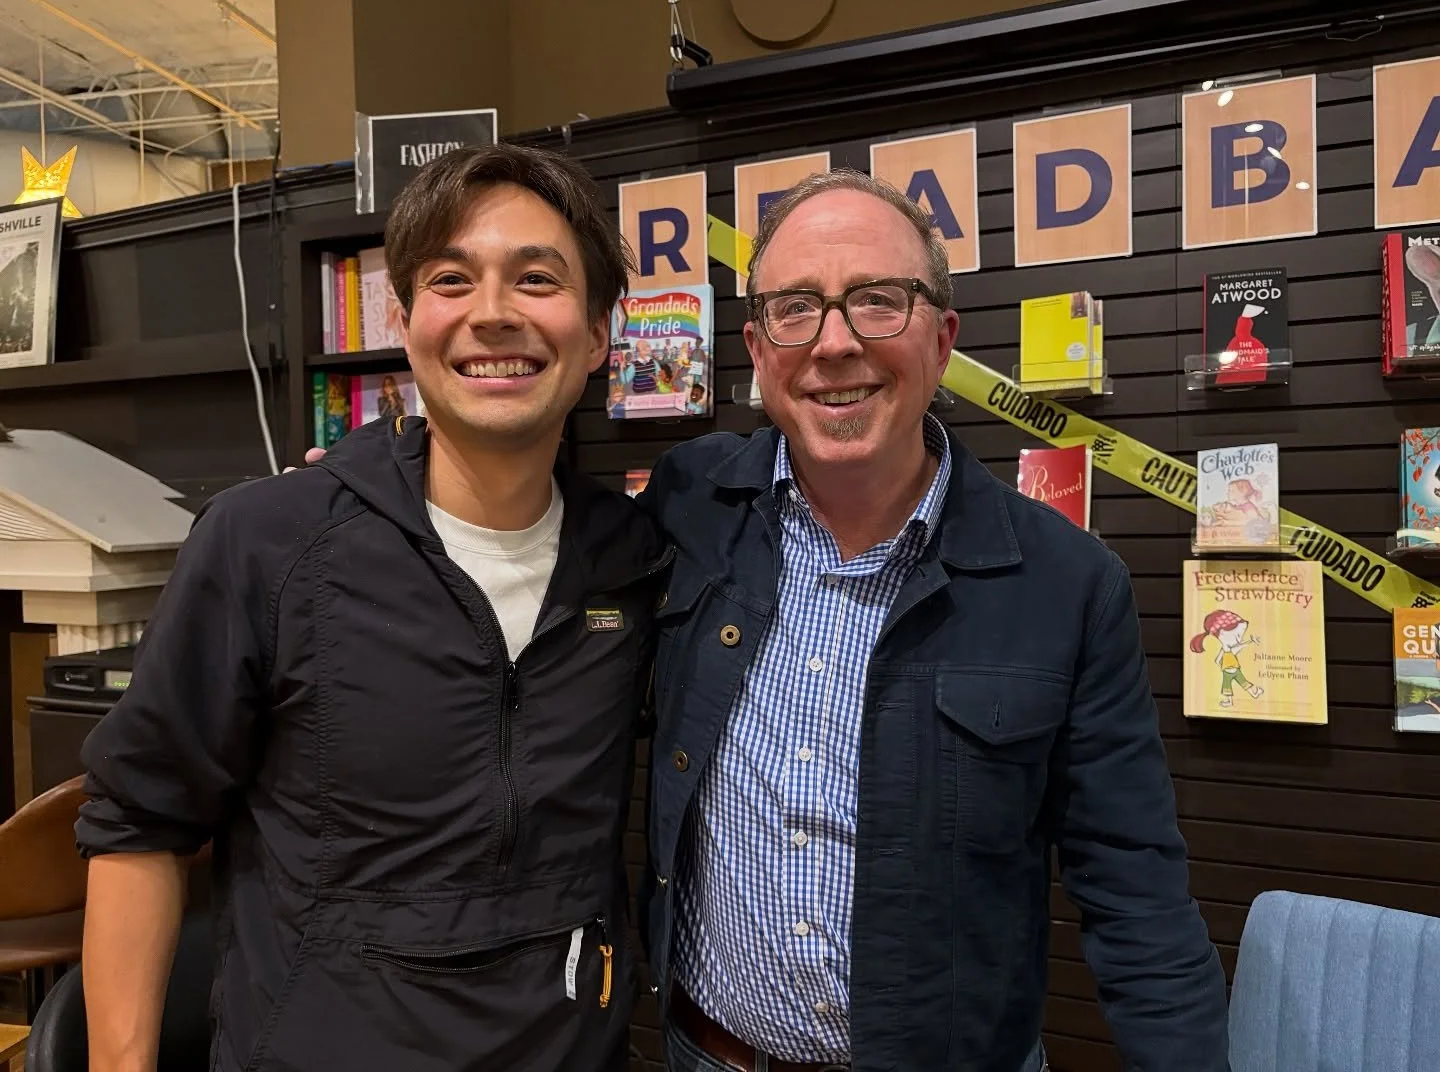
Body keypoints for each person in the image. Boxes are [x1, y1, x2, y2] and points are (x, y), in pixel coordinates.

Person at [74, 143, 669, 1072]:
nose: (494, 314)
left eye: (538, 279)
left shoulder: (636, 561)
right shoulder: (264, 542)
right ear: (403, 320)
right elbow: (137, 825)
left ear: (597, 334)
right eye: (451, 280)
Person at [634, 169, 1230, 1071]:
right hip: (706, 1055)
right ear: (757, 348)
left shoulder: (1067, 584)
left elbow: (1135, 895)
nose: (835, 344)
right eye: (796, 308)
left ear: (942, 338)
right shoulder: (692, 502)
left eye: (878, 300)